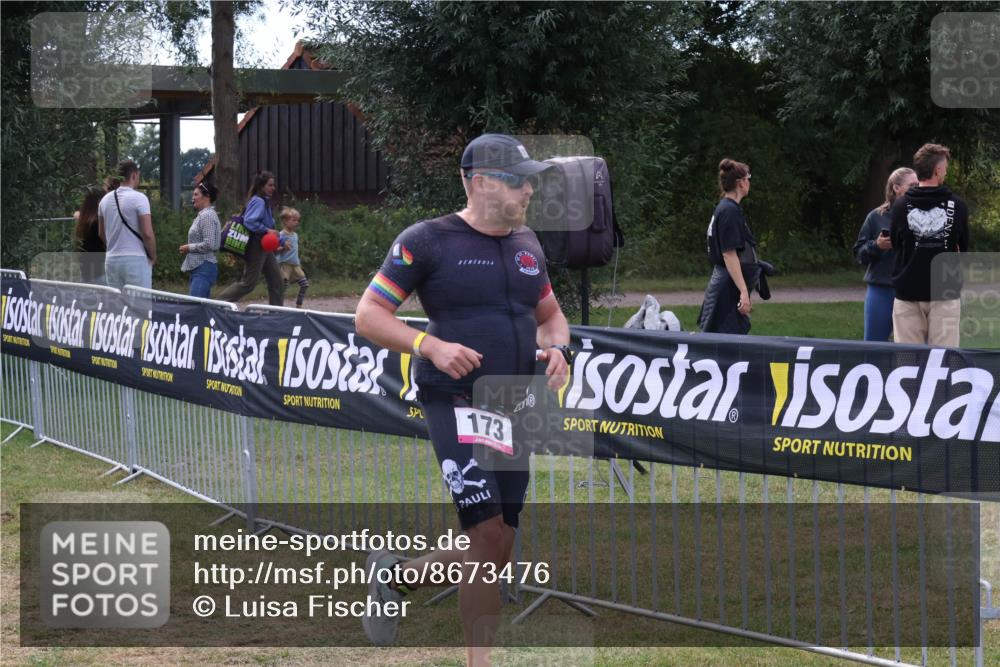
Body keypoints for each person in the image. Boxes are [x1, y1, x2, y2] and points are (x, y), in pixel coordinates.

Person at [354, 134, 570, 664]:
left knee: (499, 542)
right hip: (454, 399)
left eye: (530, 180)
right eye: (517, 180)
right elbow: (368, 316)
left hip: (512, 403)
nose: (528, 190)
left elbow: (550, 317)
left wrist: (558, 349)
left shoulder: (528, 244)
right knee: (487, 533)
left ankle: (397, 578)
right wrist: (430, 345)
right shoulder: (428, 240)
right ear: (479, 182)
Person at [890, 143, 970, 347]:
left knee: (907, 362)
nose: (946, 172)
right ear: (938, 170)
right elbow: (963, 249)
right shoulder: (958, 206)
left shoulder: (900, 206)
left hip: (908, 292)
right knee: (943, 360)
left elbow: (896, 245)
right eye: (946, 168)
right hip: (944, 293)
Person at [853, 168, 918, 341]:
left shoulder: (923, 216)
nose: (917, 189)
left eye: (918, 185)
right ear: (896, 188)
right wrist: (877, 246)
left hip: (911, 290)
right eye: (912, 185)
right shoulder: (876, 217)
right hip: (881, 289)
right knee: (874, 345)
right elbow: (859, 254)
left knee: (911, 348)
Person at [698, 158, 757, 334]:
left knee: (729, 338)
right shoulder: (729, 211)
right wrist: (743, 291)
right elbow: (729, 255)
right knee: (724, 342)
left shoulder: (727, 208)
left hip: (725, 283)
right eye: (748, 178)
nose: (749, 182)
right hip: (726, 286)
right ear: (740, 183)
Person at [217, 171, 284, 306]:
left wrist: (276, 236)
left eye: (273, 185)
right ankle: (218, 303)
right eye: (270, 185)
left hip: (265, 246)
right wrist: (267, 230)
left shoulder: (264, 200)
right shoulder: (258, 201)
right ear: (262, 186)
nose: (273, 188)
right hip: (256, 245)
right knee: (248, 283)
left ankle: (276, 312)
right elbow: (250, 221)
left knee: (276, 280)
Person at [98, 160, 156, 290]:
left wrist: (114, 246)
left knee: (116, 302)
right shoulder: (140, 198)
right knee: (139, 302)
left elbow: (101, 233)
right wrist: (153, 256)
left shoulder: (104, 201)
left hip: (111, 260)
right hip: (135, 260)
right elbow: (147, 233)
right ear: (134, 175)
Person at [180, 182, 222, 299]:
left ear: (206, 196)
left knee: (194, 306)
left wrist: (189, 247)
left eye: (196, 194)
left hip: (203, 267)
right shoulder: (203, 215)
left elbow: (210, 244)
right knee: (201, 308)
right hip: (199, 268)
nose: (193, 198)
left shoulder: (207, 216)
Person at [275, 207, 309, 308]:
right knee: (283, 287)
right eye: (294, 220)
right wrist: (282, 248)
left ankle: (299, 305)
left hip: (295, 265)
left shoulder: (295, 235)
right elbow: (275, 249)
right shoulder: (281, 234)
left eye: (297, 220)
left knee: (304, 284)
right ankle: (278, 306)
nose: (296, 222)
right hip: (284, 265)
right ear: (285, 221)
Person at [73, 186, 106, 285]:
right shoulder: (98, 222)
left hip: (86, 272)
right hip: (100, 271)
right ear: (99, 202)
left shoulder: (83, 221)